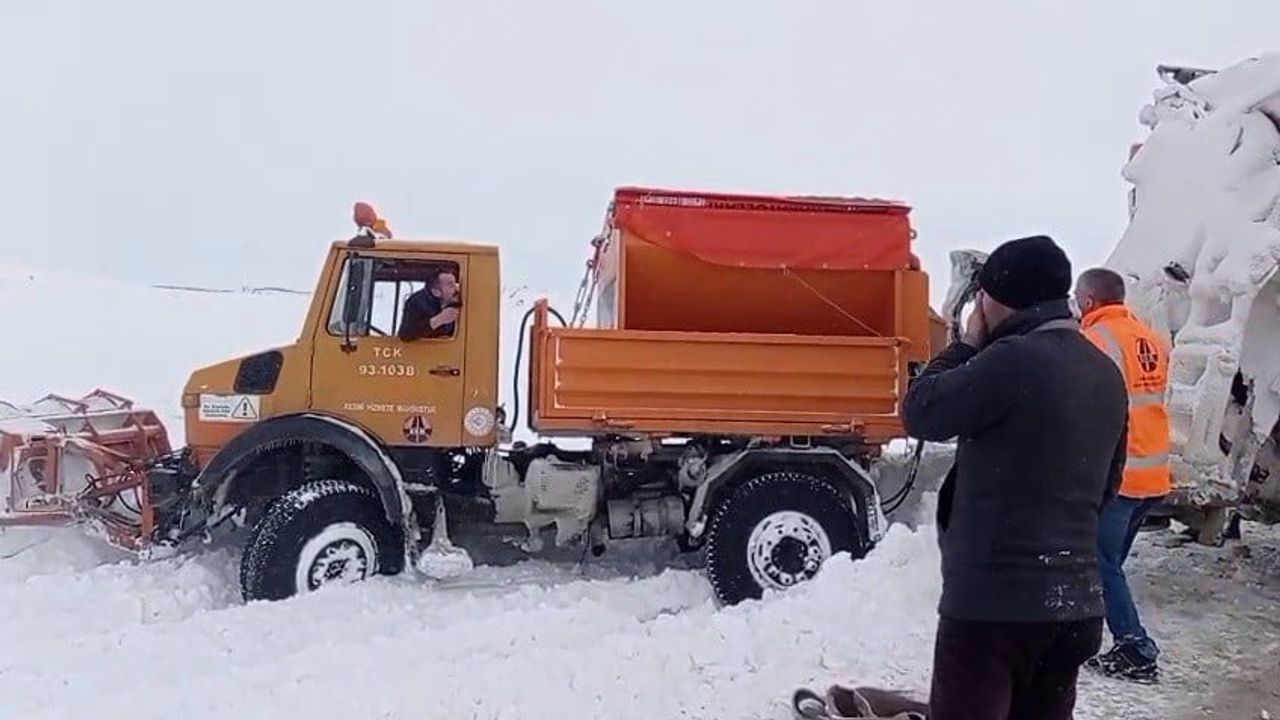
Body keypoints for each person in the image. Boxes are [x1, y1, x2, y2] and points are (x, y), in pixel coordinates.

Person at [902, 235, 1129, 720]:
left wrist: (963, 344)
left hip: (995, 609)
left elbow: (922, 411)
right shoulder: (1104, 371)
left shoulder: (1011, 361)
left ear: (994, 299)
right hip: (1074, 607)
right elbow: (1109, 482)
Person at [1074, 267, 1172, 684]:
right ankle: (1100, 634)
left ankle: (1135, 648)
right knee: (1108, 564)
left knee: (1101, 564)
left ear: (1090, 302)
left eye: (1079, 299)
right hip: (1153, 473)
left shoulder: (1093, 342)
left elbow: (1081, 412)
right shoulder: (1150, 338)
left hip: (1121, 476)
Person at [399, 269, 461, 341]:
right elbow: (406, 335)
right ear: (436, 292)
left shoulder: (453, 300)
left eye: (456, 284)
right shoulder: (416, 303)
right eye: (451, 285)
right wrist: (438, 320)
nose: (457, 289)